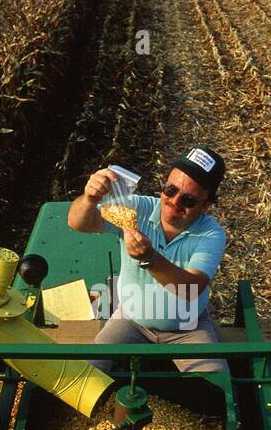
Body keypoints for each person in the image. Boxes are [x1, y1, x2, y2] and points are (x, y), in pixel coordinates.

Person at [67, 145, 229, 374]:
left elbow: (191, 289)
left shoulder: (211, 234)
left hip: (187, 327)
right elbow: (79, 223)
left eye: (189, 200)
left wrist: (149, 258)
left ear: (205, 206)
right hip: (131, 319)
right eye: (170, 190)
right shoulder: (136, 209)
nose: (174, 201)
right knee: (89, 374)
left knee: (217, 387)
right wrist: (90, 198)